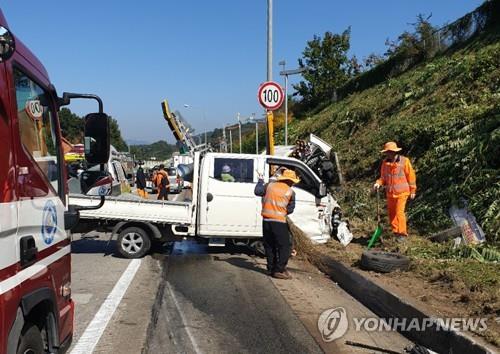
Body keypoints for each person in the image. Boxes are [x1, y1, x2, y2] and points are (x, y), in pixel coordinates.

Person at [254, 168, 299, 279]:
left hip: (266, 221)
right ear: (290, 181)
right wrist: (281, 211)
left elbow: (257, 191)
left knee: (270, 245)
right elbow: (290, 209)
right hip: (279, 222)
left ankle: (271, 269)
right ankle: (279, 270)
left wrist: (260, 180)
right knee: (285, 246)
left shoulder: (269, 186)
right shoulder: (290, 192)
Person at [373, 141, 417, 242]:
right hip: (390, 193)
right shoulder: (385, 163)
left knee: (399, 213)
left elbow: (411, 176)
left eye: (391, 151)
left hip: (402, 193)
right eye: (387, 152)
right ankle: (396, 232)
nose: (389, 153)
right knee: (392, 214)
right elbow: (383, 177)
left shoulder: (404, 161)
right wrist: (378, 183)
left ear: (395, 152)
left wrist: (413, 190)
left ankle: (402, 233)